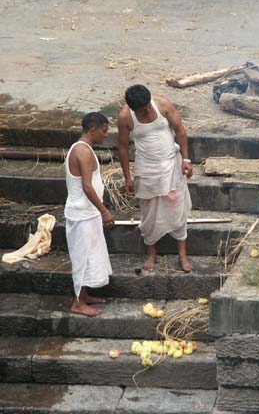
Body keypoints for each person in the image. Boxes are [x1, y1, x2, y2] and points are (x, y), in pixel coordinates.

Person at [117, 85, 193, 273]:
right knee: (149, 213)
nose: (148, 111)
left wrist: (186, 159)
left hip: (171, 163)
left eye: (148, 107)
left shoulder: (162, 104)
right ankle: (152, 254)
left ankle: (182, 255)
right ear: (133, 109)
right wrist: (127, 177)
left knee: (178, 208)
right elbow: (123, 147)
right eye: (143, 111)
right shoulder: (125, 117)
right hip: (146, 169)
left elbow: (180, 131)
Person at [65, 112, 114, 317]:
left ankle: (84, 295)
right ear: (92, 130)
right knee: (82, 258)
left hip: (87, 213)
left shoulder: (83, 149)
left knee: (91, 256)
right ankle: (77, 302)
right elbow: (86, 186)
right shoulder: (82, 152)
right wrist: (104, 210)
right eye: (103, 132)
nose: (105, 136)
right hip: (82, 214)